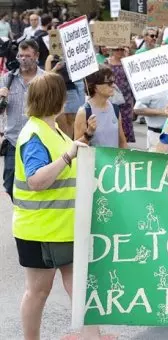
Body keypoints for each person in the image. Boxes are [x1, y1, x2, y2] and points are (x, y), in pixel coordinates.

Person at [13, 72, 105, 340]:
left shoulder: (52, 130)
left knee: (80, 289)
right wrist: (68, 156)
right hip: (40, 232)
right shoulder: (34, 135)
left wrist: (83, 140)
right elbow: (36, 180)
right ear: (56, 98)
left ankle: (93, 337)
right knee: (38, 291)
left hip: (63, 229)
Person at [0, 39, 44, 200]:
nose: (23, 59)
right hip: (13, 141)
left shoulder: (45, 79)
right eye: (20, 56)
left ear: (37, 56)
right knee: (10, 184)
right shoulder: (8, 79)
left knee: (36, 183)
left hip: (37, 140)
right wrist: (1, 97)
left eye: (28, 56)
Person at [74, 65, 127, 148]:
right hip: (94, 160)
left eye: (113, 82)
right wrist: (89, 133)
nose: (113, 85)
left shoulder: (115, 109)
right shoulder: (84, 112)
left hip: (113, 160)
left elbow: (122, 142)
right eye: (109, 83)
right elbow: (76, 148)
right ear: (95, 87)